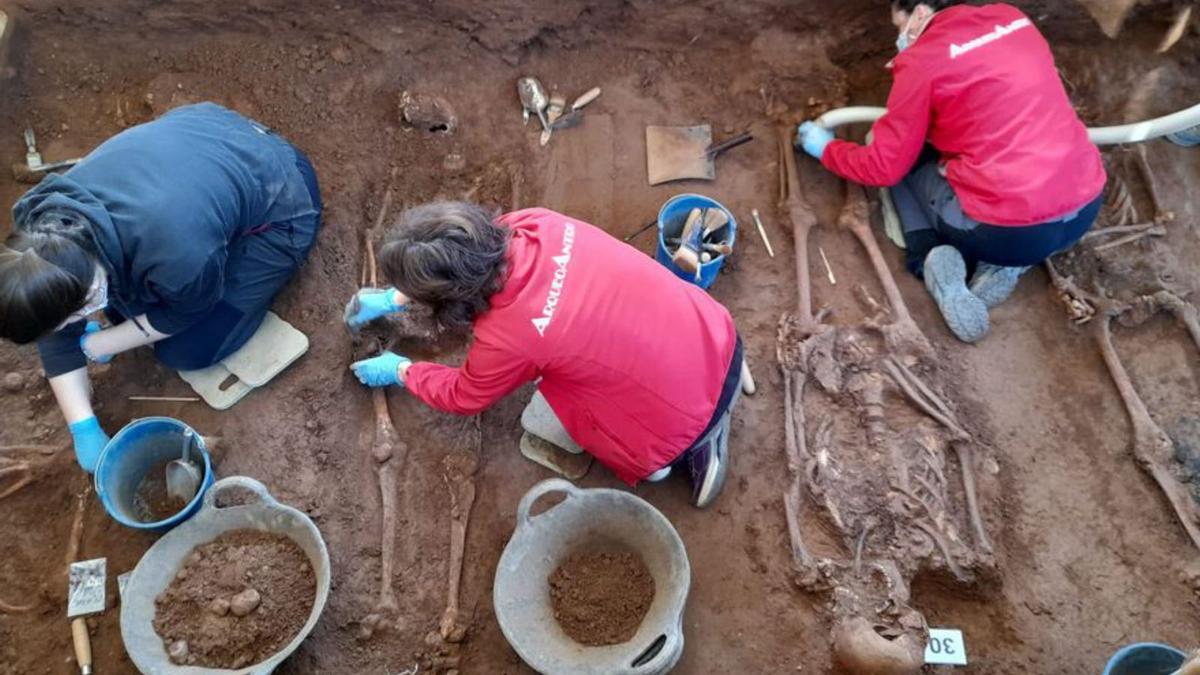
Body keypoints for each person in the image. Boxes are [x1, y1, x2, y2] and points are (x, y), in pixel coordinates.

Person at [344, 202, 742, 508]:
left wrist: (402, 371)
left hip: (689, 416)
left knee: (569, 396)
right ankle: (725, 381)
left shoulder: (508, 339)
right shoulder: (532, 224)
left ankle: (699, 444)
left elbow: (464, 396)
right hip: (716, 330)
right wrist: (397, 296)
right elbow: (462, 265)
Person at [0, 102, 322, 472]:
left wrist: (104, 342)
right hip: (201, 134)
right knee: (130, 307)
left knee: (185, 350)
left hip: (282, 191)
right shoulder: (39, 225)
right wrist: (83, 427)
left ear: (85, 296)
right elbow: (50, 318)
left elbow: (186, 310)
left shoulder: (176, 255)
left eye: (68, 319)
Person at [795, 0, 1106, 343]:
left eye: (900, 27)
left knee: (901, 162)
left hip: (1008, 230)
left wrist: (824, 148)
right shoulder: (1012, 18)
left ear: (920, 13)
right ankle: (1006, 265)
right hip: (1085, 206)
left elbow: (883, 166)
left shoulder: (921, 61)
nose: (901, 37)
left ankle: (926, 254)